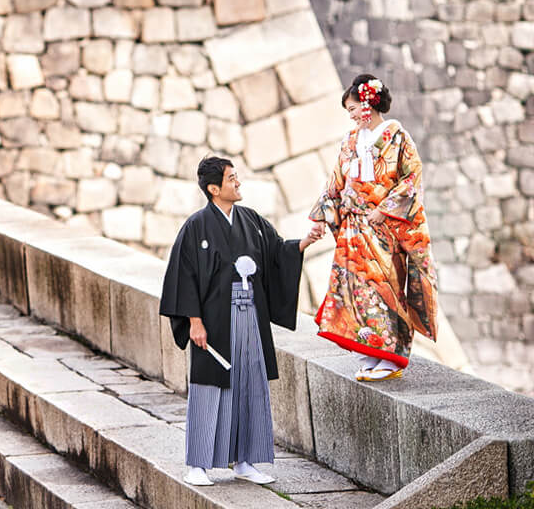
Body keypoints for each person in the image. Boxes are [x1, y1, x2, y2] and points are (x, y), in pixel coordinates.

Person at [160, 156, 320, 487]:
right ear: (213, 188)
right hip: (214, 319)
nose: (238, 183)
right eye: (232, 178)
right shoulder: (196, 226)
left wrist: (304, 243)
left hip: (250, 316)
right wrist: (194, 322)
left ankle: (245, 461)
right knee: (208, 389)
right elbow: (184, 275)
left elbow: (277, 253)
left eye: (236, 177)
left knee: (249, 385)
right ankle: (198, 464)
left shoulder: (251, 221)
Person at [307, 74, 438, 382]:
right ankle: (371, 351)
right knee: (357, 290)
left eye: (353, 108)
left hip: (384, 229)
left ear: (368, 105)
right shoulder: (351, 140)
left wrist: (385, 209)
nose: (351, 115)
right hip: (354, 228)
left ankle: (392, 357)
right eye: (348, 111)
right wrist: (322, 213)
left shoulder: (398, 137)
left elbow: (411, 180)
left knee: (385, 289)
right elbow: (336, 182)